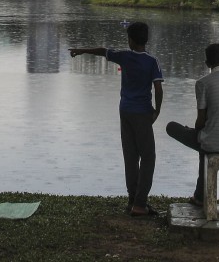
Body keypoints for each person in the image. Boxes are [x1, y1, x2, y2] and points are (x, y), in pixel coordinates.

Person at [69, 22, 163, 217]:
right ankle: (140, 203)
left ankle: (132, 200)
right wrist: (157, 111)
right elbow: (158, 89)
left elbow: (103, 51)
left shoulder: (125, 57)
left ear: (130, 40)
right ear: (145, 40)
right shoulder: (152, 61)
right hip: (143, 113)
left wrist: (81, 50)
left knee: (130, 156)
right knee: (148, 157)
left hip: (125, 111)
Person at [166, 43, 219, 207]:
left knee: (172, 127)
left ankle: (200, 197)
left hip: (212, 142)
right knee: (205, 141)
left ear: (207, 64)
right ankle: (199, 196)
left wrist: (193, 131)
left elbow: (200, 121)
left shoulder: (203, 83)